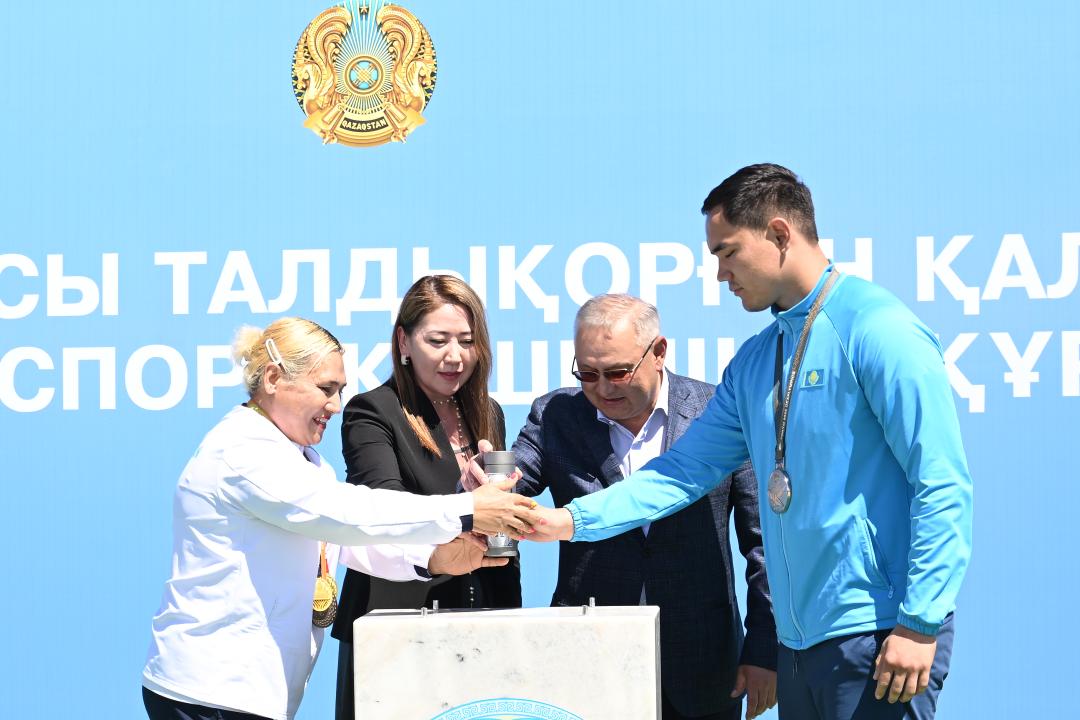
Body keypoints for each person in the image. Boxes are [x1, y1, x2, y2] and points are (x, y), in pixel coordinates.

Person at [527, 164, 974, 720]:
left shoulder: (879, 329)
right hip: (798, 644)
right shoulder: (756, 359)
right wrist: (568, 521)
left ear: (779, 234)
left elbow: (941, 483)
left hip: (881, 633)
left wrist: (920, 621)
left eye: (728, 253)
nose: (720, 274)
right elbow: (681, 472)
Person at [142, 317, 539, 720]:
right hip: (209, 694)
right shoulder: (242, 452)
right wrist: (467, 510)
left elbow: (347, 543)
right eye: (325, 389)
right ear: (274, 378)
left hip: (240, 694)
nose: (335, 405)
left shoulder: (299, 458)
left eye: (340, 391)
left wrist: (435, 558)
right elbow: (348, 515)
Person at [466, 293, 777, 720]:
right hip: (588, 662)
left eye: (617, 372)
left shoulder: (716, 416)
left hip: (702, 665)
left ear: (659, 352)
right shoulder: (556, 415)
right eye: (587, 373)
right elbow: (516, 476)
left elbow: (764, 544)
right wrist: (487, 484)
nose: (602, 388)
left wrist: (764, 648)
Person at [332, 276, 522, 720]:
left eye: (467, 341)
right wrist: (466, 502)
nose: (455, 356)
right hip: (397, 629)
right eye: (437, 341)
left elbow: (497, 524)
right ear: (404, 341)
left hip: (484, 622)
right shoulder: (372, 411)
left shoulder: (488, 411)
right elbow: (385, 512)